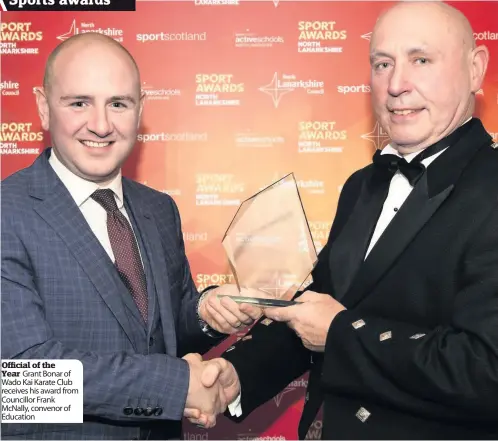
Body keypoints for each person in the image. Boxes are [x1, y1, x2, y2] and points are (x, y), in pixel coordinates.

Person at [185, 1, 498, 439]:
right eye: (382, 63)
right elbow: (315, 308)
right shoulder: (361, 186)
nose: (396, 84)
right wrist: (237, 376)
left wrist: (341, 334)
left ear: (475, 68)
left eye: (421, 60)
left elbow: (486, 370)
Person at [1, 33, 262, 440]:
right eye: (79, 103)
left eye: (118, 104)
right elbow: (25, 380)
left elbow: (163, 330)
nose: (101, 125)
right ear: (43, 107)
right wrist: (179, 386)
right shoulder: (8, 212)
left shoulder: (158, 209)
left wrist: (206, 314)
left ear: (140, 110)